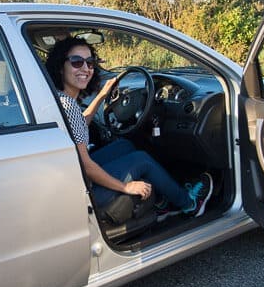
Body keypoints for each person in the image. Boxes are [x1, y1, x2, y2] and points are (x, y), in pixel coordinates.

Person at [45, 36, 212, 218]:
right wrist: (126, 186)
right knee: (142, 160)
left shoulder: (61, 99)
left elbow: (79, 125)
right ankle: (189, 204)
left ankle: (161, 201)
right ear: (60, 67)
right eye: (77, 62)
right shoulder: (68, 105)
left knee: (125, 146)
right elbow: (86, 167)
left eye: (90, 63)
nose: (86, 69)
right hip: (84, 189)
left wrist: (101, 96)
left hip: (73, 178)